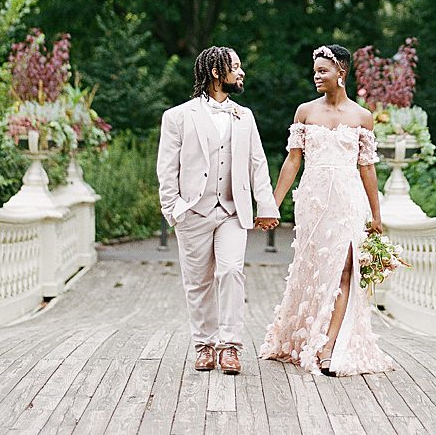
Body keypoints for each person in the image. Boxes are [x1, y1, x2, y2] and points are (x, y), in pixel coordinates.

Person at [259, 43, 396, 376]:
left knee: (345, 269)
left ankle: (328, 345)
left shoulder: (363, 117)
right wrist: (271, 204)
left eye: (323, 70)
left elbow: (367, 167)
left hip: (349, 201)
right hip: (314, 201)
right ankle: (304, 335)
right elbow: (293, 161)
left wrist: (376, 216)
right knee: (316, 270)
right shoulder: (305, 112)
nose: (316, 76)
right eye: (315, 70)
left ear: (341, 72)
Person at [155, 46, 280, 376]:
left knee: (230, 272)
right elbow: (166, 169)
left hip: (231, 212)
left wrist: (266, 206)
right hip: (193, 212)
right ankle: (204, 345)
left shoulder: (244, 116)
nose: (241, 73)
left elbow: (257, 164)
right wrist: (175, 209)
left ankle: (230, 346)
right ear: (215, 72)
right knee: (197, 282)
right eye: (235, 67)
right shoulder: (178, 117)